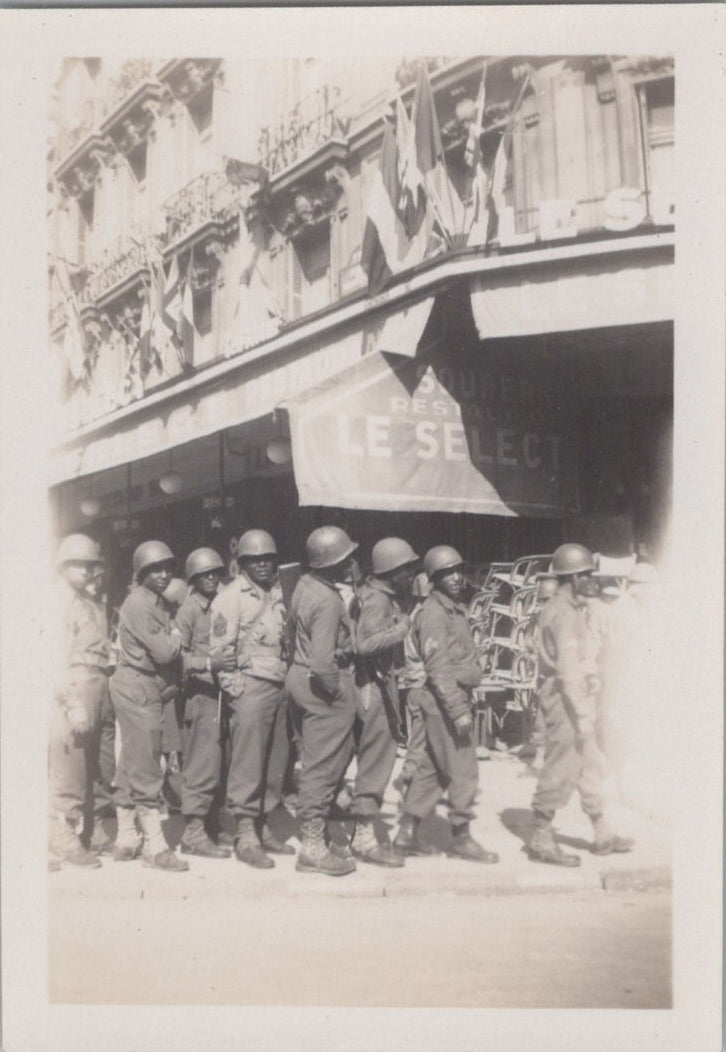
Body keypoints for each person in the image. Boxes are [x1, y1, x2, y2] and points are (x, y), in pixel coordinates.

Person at [528, 543, 634, 867]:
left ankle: (602, 830)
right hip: (564, 699)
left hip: (571, 695)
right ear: (574, 578)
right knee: (560, 766)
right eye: (587, 574)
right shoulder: (563, 613)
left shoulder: (569, 609)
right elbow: (568, 671)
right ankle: (541, 836)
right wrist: (584, 714)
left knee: (589, 765)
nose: (592, 580)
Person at [394, 546, 499, 864]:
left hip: (447, 698)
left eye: (458, 571)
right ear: (433, 579)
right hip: (444, 702)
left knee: (431, 771)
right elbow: (438, 667)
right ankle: (461, 838)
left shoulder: (453, 609)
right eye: (446, 573)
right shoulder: (434, 614)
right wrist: (458, 711)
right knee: (464, 770)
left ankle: (406, 834)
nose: (455, 577)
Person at [209, 530, 293, 868]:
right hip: (251, 685)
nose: (262, 565)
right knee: (248, 763)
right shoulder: (230, 597)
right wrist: (236, 689)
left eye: (267, 559)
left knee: (275, 762)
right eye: (254, 560)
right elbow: (220, 649)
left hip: (279, 682)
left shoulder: (278, 593)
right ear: (242, 563)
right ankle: (245, 834)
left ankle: (263, 825)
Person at [285, 525, 360, 877]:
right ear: (331, 563)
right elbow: (322, 662)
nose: (351, 563)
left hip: (299, 678)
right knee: (322, 767)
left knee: (315, 761)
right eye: (345, 558)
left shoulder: (304, 584)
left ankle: (320, 839)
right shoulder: (328, 600)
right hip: (321, 684)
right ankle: (312, 848)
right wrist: (340, 694)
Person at [110, 540, 188, 871]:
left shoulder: (156, 601)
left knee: (132, 758)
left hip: (140, 684)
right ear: (141, 573)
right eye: (155, 569)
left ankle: (126, 837)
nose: (163, 574)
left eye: (167, 568)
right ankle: (154, 847)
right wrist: (176, 637)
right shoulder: (140, 604)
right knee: (147, 764)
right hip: (138, 685)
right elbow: (166, 652)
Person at [348, 538, 419, 867]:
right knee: (377, 761)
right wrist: (401, 629)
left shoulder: (374, 594)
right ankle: (363, 838)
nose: (411, 575)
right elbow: (365, 645)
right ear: (392, 570)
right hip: (375, 688)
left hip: (375, 685)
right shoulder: (378, 600)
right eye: (407, 569)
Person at [49, 533, 115, 869]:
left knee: (99, 765)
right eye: (79, 564)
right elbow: (55, 658)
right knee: (71, 767)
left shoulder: (87, 602)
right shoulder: (57, 602)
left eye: (91, 565)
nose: (87, 570)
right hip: (74, 688)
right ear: (63, 565)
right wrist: (72, 703)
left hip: (98, 683)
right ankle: (63, 835)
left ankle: (94, 829)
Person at [174, 548, 236, 859]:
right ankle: (193, 833)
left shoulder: (224, 604)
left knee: (222, 762)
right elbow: (176, 657)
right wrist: (209, 663)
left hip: (225, 695)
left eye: (215, 573)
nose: (211, 578)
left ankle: (212, 824)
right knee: (202, 763)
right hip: (201, 696)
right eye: (204, 574)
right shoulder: (187, 611)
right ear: (193, 579)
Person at [393, 571, 431, 805]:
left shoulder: (408, 612)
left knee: (416, 735)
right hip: (421, 680)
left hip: (410, 679)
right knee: (420, 737)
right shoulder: (423, 614)